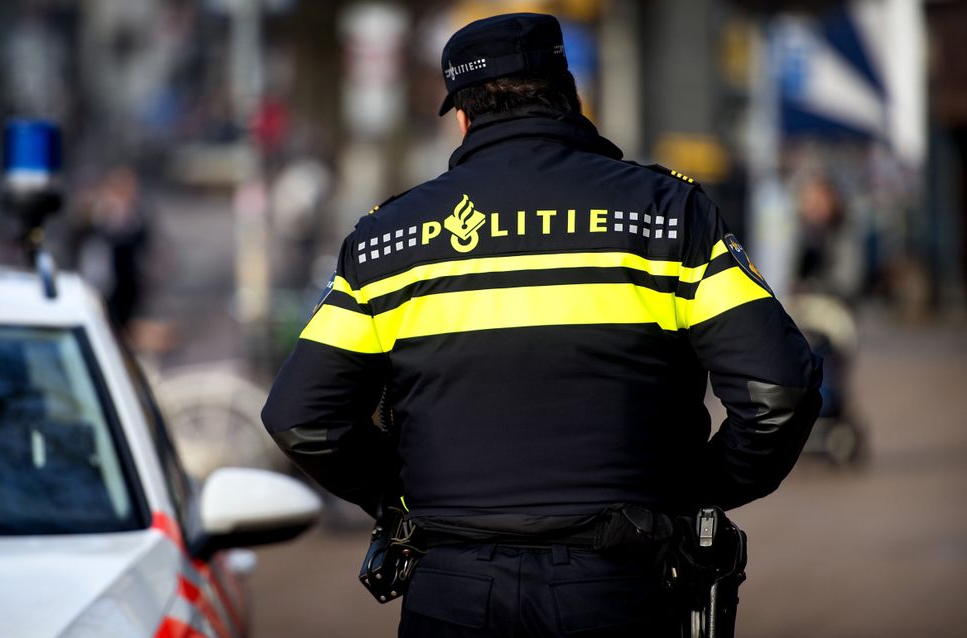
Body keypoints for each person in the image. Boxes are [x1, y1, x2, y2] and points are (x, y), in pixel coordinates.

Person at [262, 12, 821, 637]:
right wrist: (694, 492)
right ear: (571, 97)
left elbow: (301, 418)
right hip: (623, 583)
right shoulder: (667, 216)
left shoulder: (386, 242)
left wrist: (404, 499)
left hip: (452, 589)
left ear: (464, 116)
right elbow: (780, 394)